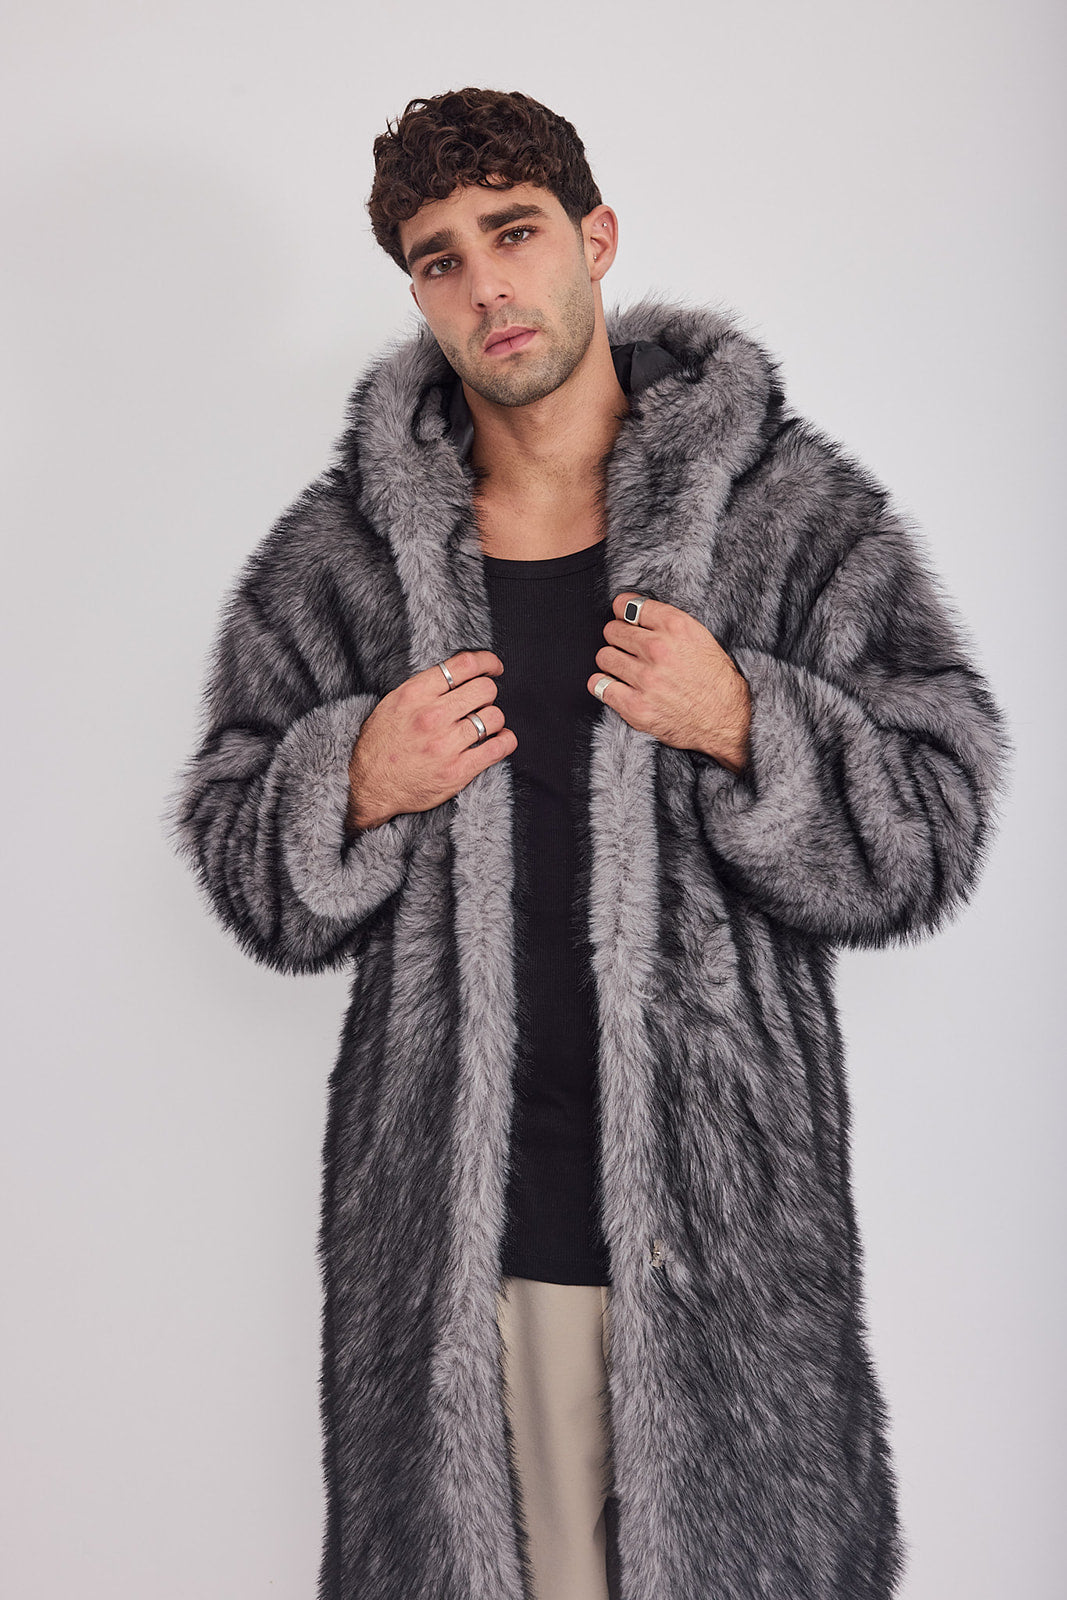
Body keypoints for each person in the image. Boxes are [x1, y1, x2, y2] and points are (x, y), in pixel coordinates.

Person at [165, 86, 1011, 1600]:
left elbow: (937, 818)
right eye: (439, 259)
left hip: (730, 1264)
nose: (486, 286)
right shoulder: (347, 556)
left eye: (515, 233)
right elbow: (240, 851)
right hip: (460, 1268)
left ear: (594, 238)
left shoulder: (784, 516)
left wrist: (749, 719)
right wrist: (351, 778)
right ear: (415, 293)